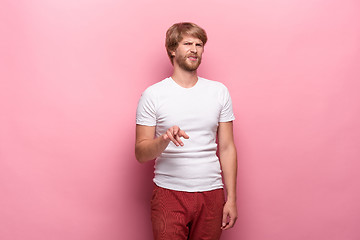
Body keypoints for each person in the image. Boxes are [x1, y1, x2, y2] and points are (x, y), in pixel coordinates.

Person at [135, 22, 238, 240]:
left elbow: (227, 148)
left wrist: (231, 199)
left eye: (199, 44)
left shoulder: (219, 92)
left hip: (211, 192)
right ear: (173, 49)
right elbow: (141, 153)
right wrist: (163, 139)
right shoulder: (153, 95)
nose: (194, 49)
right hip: (168, 192)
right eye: (187, 43)